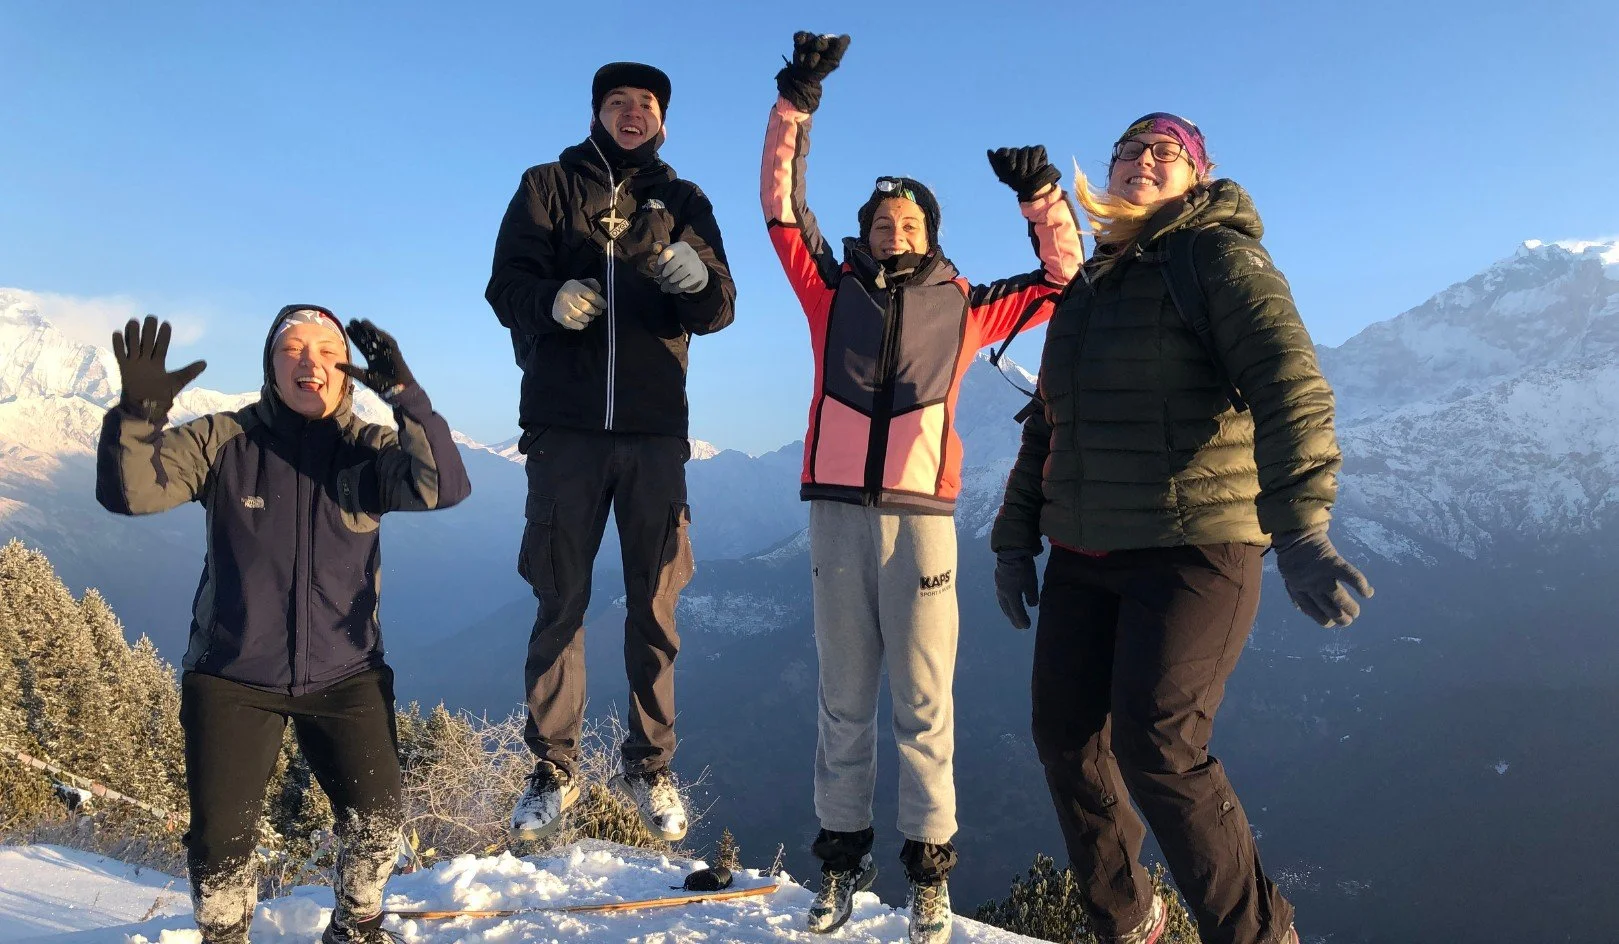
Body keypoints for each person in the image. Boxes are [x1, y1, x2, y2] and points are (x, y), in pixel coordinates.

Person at [990, 113, 1374, 944]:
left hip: (1196, 545)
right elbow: (1048, 421)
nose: (1141, 161)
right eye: (1128, 149)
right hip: (1084, 551)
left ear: (1197, 176)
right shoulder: (1090, 284)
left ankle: (1254, 935)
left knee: (1158, 748)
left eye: (1165, 152)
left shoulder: (1217, 257)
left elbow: (1288, 385)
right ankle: (1127, 921)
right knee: (1063, 738)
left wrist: (1302, 529)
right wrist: (1014, 537)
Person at [761, 32, 1083, 944]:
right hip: (833, 516)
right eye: (879, 220)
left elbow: (1068, 276)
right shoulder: (830, 290)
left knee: (924, 701)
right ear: (862, 233)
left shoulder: (969, 305)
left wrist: (1040, 197)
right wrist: (798, 100)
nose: (891, 229)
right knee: (843, 698)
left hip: (922, 523)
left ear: (931, 233)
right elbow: (783, 210)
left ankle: (929, 880)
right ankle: (837, 868)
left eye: (907, 221)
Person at [95, 308, 471, 944]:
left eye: (327, 348)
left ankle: (357, 926)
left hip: (347, 672)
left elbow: (444, 487)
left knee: (378, 822)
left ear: (347, 370)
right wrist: (136, 418)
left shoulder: (368, 448)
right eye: (291, 348)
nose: (310, 361)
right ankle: (223, 935)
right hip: (232, 673)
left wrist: (408, 401)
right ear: (270, 368)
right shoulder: (225, 440)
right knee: (221, 839)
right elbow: (130, 493)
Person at [486, 61, 736, 845]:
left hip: (656, 433)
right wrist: (549, 302)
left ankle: (648, 766)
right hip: (563, 430)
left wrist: (697, 282)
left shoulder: (686, 200)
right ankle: (552, 767)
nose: (633, 113)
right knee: (557, 595)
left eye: (647, 103)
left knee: (655, 601)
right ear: (597, 111)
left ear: (663, 119)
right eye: (619, 102)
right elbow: (504, 286)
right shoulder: (546, 186)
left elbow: (720, 306)